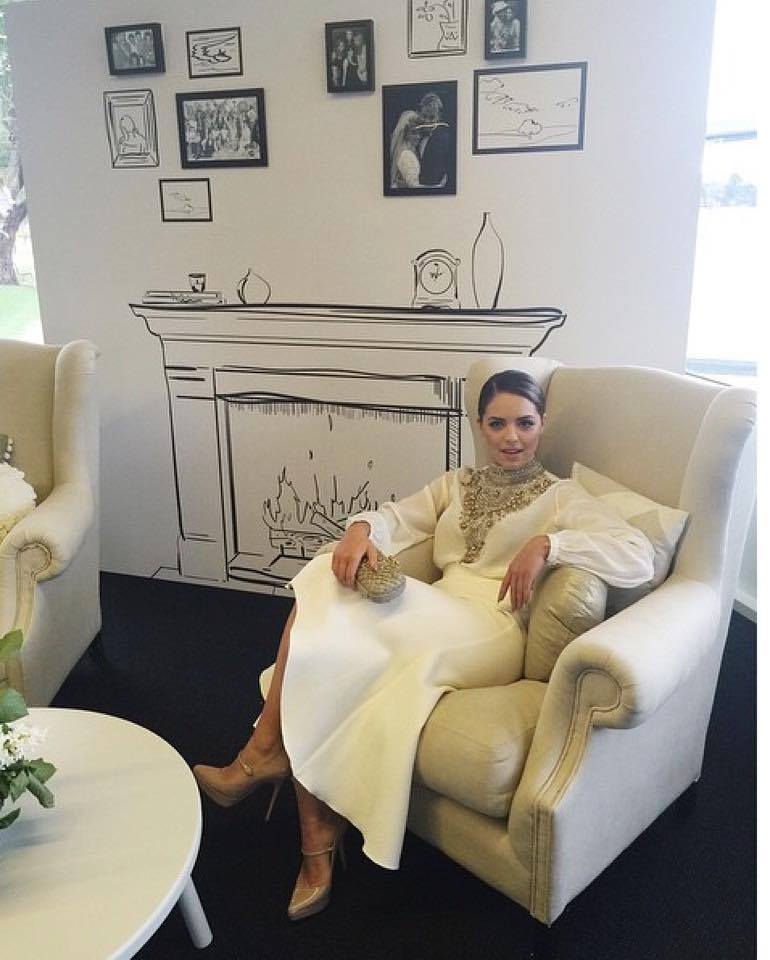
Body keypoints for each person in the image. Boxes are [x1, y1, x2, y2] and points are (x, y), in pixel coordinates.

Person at [192, 371, 655, 921]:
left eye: (525, 423)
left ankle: (272, 772)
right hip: (435, 604)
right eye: (498, 424)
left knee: (332, 638)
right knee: (321, 590)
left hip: (491, 626)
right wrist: (360, 530)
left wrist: (549, 545)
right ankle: (291, 787)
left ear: (542, 424)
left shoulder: (562, 496)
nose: (512, 437)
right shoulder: (457, 483)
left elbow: (638, 554)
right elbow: (396, 516)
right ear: (480, 426)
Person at [416, 92, 450, 188]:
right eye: (424, 116)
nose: (427, 121)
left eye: (431, 118)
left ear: (439, 117)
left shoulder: (443, 139)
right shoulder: (416, 135)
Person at [389, 110, 422, 188]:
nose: (418, 137)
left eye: (419, 132)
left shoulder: (407, 151)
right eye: (413, 133)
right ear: (406, 134)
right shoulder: (407, 154)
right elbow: (414, 186)